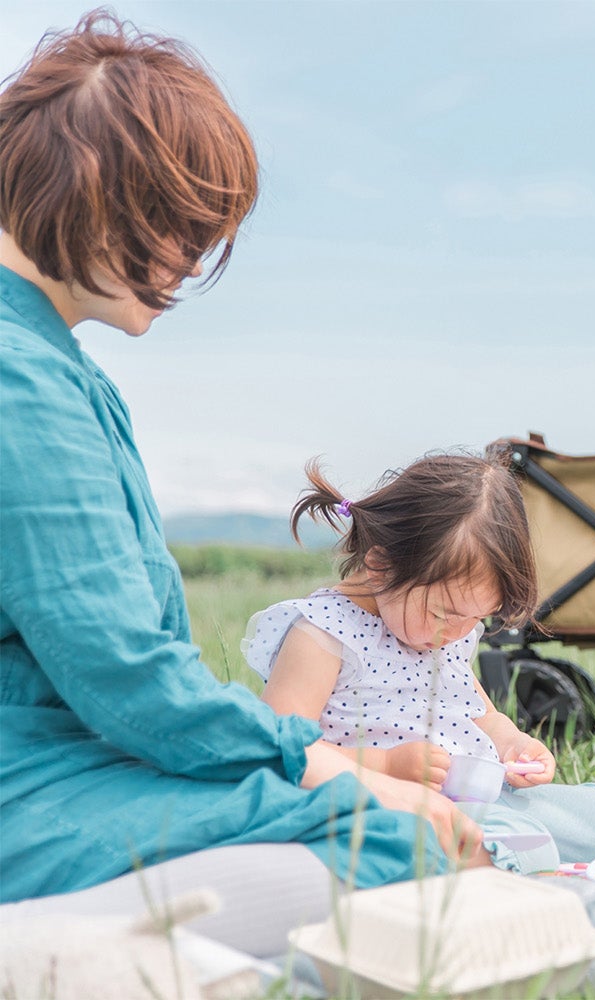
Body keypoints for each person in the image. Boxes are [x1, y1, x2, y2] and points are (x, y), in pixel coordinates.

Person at [0, 11, 478, 940]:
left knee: (383, 824)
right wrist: (323, 766)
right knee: (396, 851)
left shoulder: (58, 365)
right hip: (32, 780)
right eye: (181, 226)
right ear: (96, 194)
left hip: (67, 759)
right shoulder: (22, 379)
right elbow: (125, 676)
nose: (190, 260)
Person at [244, 455, 595, 871]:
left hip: (477, 800)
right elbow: (279, 748)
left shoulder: (448, 635)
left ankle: (504, 848)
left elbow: (481, 716)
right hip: (383, 804)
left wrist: (515, 745)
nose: (459, 632)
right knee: (524, 842)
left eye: (477, 617)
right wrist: (387, 764)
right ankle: (493, 852)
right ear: (381, 565)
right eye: (444, 613)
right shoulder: (325, 634)